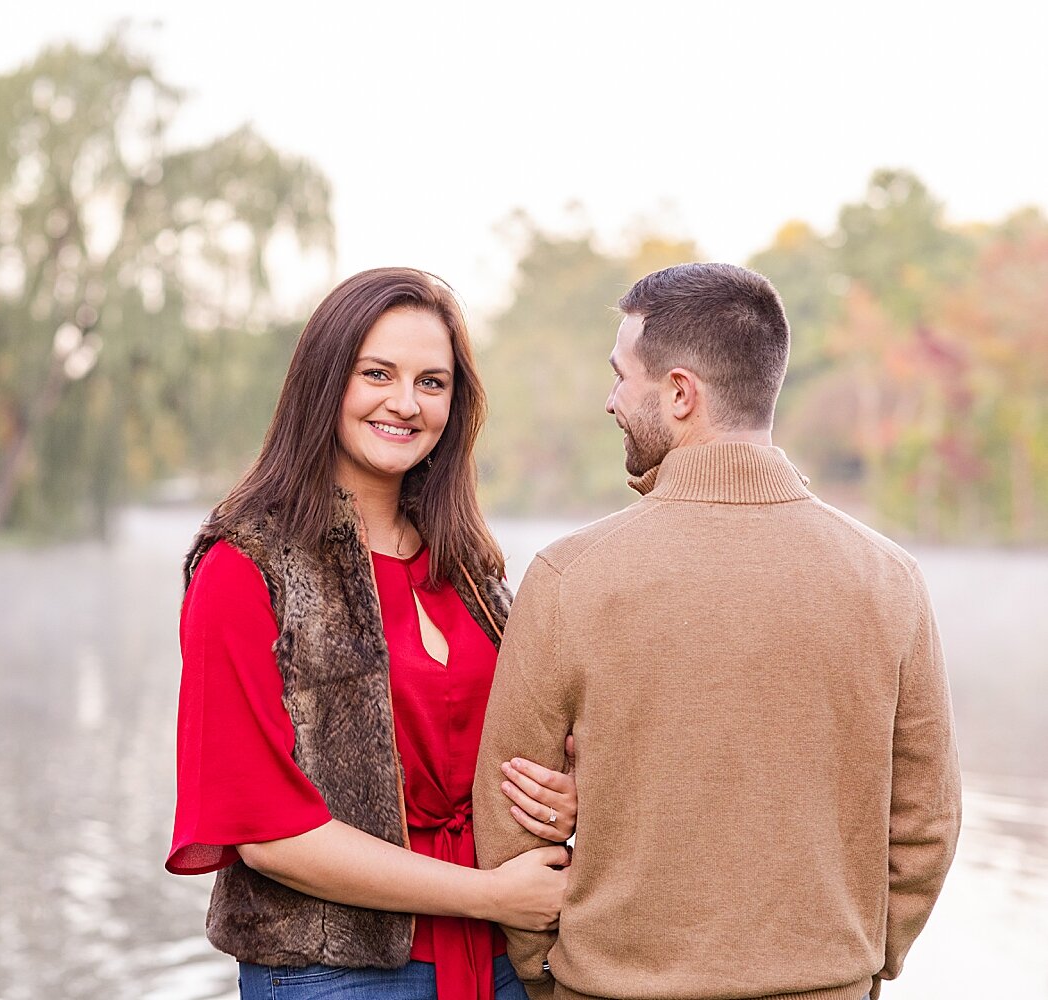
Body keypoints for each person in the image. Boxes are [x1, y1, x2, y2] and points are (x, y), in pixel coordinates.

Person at [472, 262, 962, 1000]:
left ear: (677, 393)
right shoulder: (888, 578)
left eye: (621, 376)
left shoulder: (570, 576)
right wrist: (860, 964)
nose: (610, 401)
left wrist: (546, 972)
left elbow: (510, 815)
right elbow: (926, 824)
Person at [167, 267, 581, 1000]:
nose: (405, 403)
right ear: (326, 383)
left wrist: (563, 790)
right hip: (336, 973)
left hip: (499, 959)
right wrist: (487, 894)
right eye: (377, 373)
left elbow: (527, 739)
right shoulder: (243, 569)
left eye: (432, 382)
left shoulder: (471, 568)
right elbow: (267, 834)